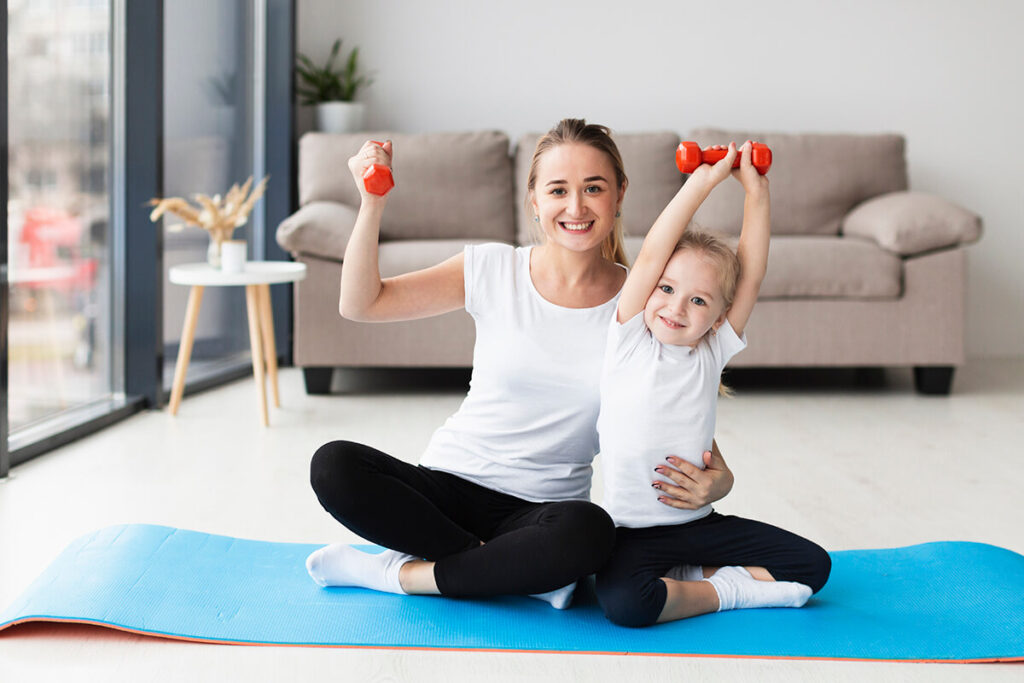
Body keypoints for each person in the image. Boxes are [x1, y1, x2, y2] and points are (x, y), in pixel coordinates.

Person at [304, 119, 735, 608]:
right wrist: (371, 201)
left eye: (593, 188)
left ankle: (399, 574)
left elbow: (675, 408)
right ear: (534, 199)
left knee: (590, 531)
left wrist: (720, 479)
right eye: (558, 190)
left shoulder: (644, 307)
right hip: (446, 488)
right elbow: (361, 304)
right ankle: (510, 570)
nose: (576, 207)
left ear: (619, 195)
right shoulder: (492, 268)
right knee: (334, 464)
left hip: (541, 514)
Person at [594, 141, 831, 627]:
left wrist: (755, 192)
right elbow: (651, 255)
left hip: (698, 525)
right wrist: (701, 181)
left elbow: (752, 274)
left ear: (720, 316)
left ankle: (695, 577)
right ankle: (726, 591)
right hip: (632, 532)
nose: (676, 308)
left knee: (814, 565)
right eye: (667, 289)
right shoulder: (629, 339)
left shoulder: (711, 351)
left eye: (699, 301)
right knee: (625, 606)